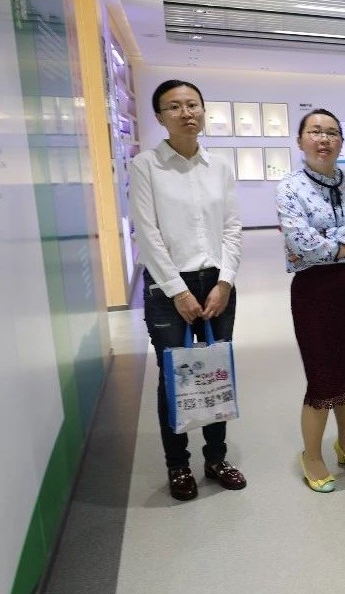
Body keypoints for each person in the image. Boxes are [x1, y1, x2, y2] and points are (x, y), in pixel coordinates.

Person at [129, 79, 246, 501]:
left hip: (216, 283)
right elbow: (148, 234)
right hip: (167, 286)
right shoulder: (145, 165)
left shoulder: (220, 166)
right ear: (160, 117)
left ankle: (216, 458)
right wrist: (178, 291)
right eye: (174, 106)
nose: (186, 113)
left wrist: (225, 281)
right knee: (174, 375)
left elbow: (232, 227)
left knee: (215, 370)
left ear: (203, 110)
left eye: (193, 104)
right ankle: (178, 464)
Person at [277, 108, 345, 493]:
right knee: (323, 376)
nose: (324, 139)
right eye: (315, 131)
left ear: (341, 141)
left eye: (332, 132)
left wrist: (326, 242)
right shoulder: (289, 187)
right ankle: (312, 455)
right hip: (313, 291)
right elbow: (299, 240)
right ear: (300, 140)